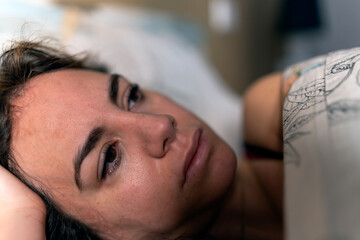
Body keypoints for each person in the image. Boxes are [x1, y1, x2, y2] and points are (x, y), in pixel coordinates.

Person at [0, 40, 283, 240]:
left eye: (131, 97)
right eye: (110, 157)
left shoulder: (276, 112)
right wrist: (23, 214)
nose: (161, 124)